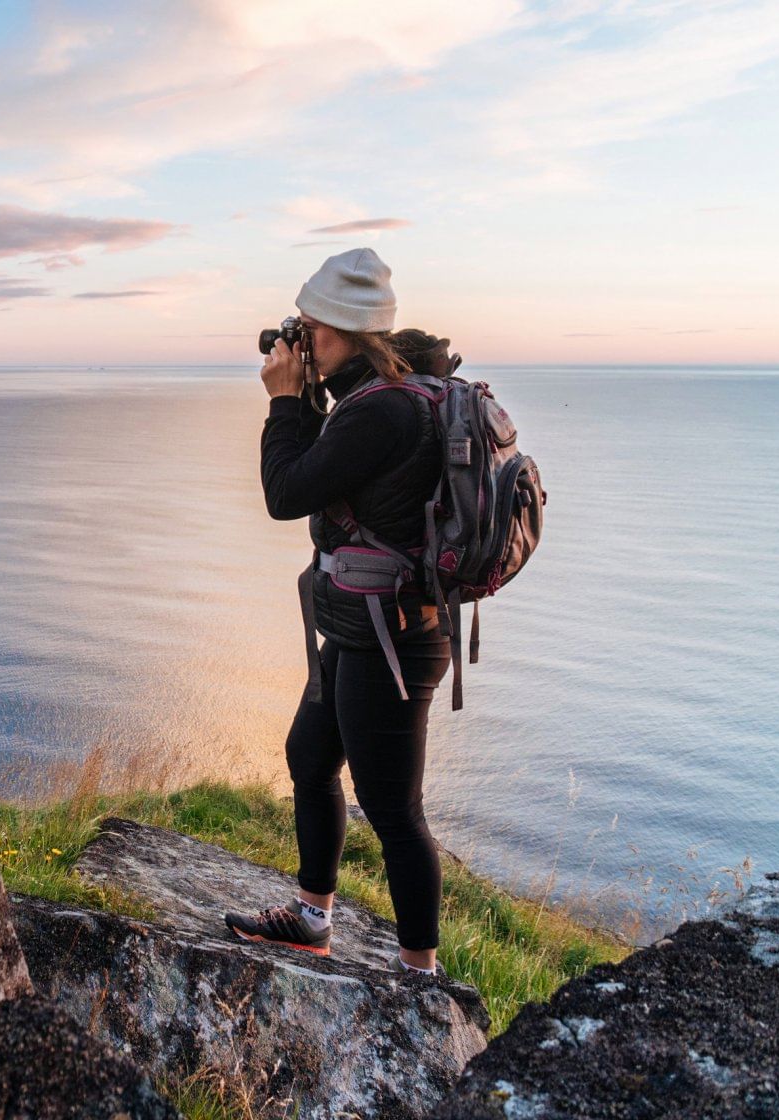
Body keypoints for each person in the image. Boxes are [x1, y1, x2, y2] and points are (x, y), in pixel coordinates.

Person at [223, 247, 455, 977]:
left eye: (314, 332)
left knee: (392, 810)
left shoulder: (382, 410)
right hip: (364, 628)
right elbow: (337, 479)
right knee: (309, 756)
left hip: (392, 640)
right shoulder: (374, 395)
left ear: (349, 334)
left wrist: (285, 401)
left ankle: (421, 976)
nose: (302, 343)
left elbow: (286, 494)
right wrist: (310, 394)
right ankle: (312, 918)